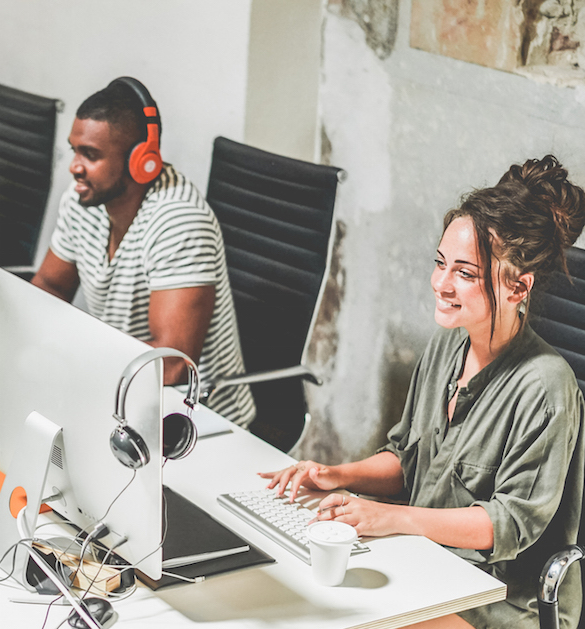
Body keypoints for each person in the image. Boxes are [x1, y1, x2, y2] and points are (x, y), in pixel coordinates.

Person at [261, 155, 585, 628]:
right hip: (427, 564)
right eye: (440, 263)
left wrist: (390, 519)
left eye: (465, 273)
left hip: (497, 603)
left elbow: (508, 525)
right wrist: (337, 473)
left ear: (518, 287)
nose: (440, 283)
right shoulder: (446, 346)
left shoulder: (545, 387)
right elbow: (409, 461)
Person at [32, 77, 255, 427]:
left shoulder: (178, 221)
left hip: (194, 418)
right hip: (123, 395)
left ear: (142, 162)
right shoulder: (82, 200)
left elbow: (173, 363)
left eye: (90, 154)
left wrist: (74, 362)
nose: (75, 166)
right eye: (74, 150)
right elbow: (50, 286)